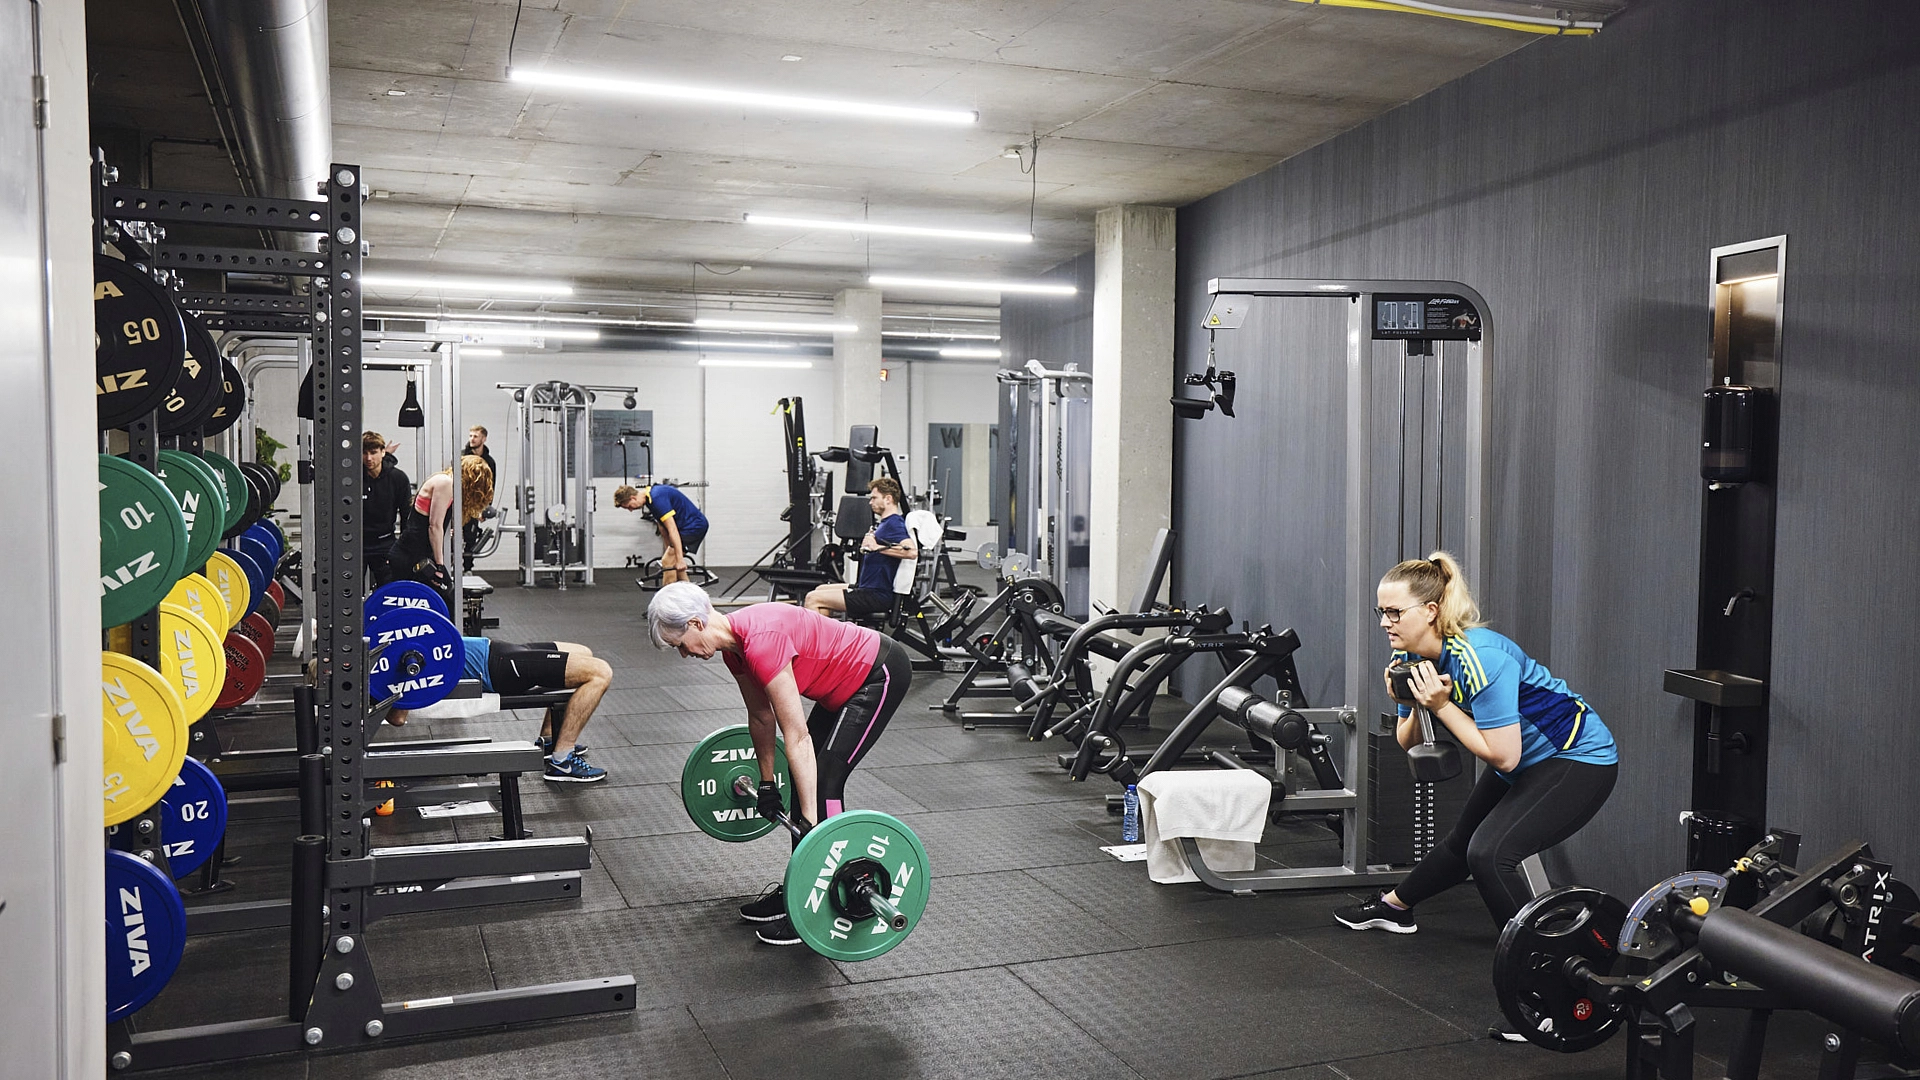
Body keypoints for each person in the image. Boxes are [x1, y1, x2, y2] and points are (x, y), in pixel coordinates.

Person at [1334, 551, 1618, 935]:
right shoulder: (1409, 654)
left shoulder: (1480, 656)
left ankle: (1533, 957)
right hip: (1528, 761)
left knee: (1489, 853)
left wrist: (1441, 705)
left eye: (1395, 612)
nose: (1385, 622)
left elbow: (1502, 755)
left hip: (1577, 757)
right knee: (1462, 843)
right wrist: (1409, 703)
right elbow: (1406, 741)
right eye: (1381, 612)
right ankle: (1395, 907)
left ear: (1431, 610)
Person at [647, 581, 913, 946]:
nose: (684, 655)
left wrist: (811, 825)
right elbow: (760, 718)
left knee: (823, 783)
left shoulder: (762, 643)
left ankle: (818, 900)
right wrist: (769, 781)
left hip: (877, 674)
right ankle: (799, 890)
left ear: (695, 624)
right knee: (802, 778)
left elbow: (798, 736)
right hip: (841, 687)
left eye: (680, 645)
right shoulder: (735, 651)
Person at [386, 635, 612, 783]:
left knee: (584, 651)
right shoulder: (386, 670)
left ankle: (549, 741)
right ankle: (562, 761)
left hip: (500, 648)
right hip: (501, 668)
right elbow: (397, 717)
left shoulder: (383, 640)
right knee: (600, 673)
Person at [380, 455, 493, 610]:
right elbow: (434, 526)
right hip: (410, 555)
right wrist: (440, 566)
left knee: (442, 602)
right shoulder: (446, 483)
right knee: (446, 602)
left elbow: (434, 521)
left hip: (416, 552)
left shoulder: (446, 482)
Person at [804, 477, 916, 620]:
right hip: (865, 588)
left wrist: (876, 547)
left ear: (888, 499)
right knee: (820, 590)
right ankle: (826, 639)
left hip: (876, 595)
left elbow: (911, 552)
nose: (870, 502)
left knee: (813, 598)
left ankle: (818, 641)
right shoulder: (884, 523)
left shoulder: (893, 523)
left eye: (874, 498)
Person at [614, 481, 708, 585]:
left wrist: (680, 559)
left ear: (633, 498)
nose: (631, 510)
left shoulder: (657, 498)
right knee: (672, 561)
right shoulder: (650, 498)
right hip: (685, 527)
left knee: (668, 562)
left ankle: (667, 598)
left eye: (629, 506)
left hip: (693, 527)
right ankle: (689, 594)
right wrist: (669, 551)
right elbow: (663, 528)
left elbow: (672, 529)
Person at [361, 431, 412, 584]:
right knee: (349, 593)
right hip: (356, 543)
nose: (369, 458)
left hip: (385, 543)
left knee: (390, 589)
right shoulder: (352, 479)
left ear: (383, 452)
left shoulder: (398, 478)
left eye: (373, 452)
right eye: (364, 453)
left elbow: (406, 516)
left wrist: (404, 550)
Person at [460, 427, 497, 572]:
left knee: (470, 537)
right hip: (460, 503)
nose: (472, 439)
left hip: (475, 505)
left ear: (484, 439)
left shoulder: (489, 461)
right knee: (452, 537)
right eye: (470, 436)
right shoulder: (462, 457)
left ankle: (468, 569)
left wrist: (485, 508)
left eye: (476, 436)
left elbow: (490, 486)